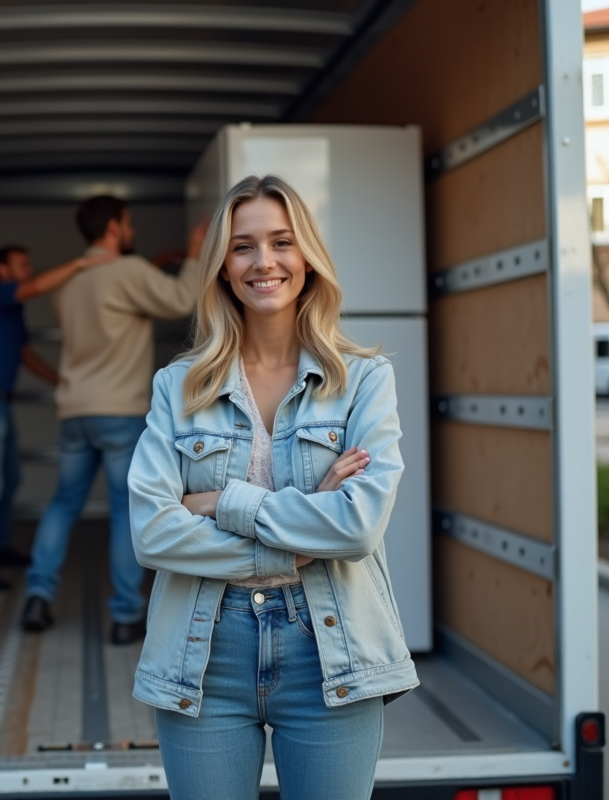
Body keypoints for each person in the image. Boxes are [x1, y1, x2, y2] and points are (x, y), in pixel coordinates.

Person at [126, 175, 418, 799]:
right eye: (243, 247)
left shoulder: (364, 380)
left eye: (281, 242)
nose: (264, 262)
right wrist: (296, 538)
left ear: (306, 258)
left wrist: (218, 503)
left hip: (330, 648)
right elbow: (151, 532)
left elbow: (358, 526)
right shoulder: (178, 387)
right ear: (222, 269)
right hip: (204, 654)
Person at [20, 196, 207, 645]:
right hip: (118, 412)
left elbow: (117, 298)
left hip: (74, 411)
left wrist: (152, 266)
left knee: (64, 502)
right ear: (113, 228)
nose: (133, 231)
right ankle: (125, 616)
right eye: (128, 224)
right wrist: (196, 254)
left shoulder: (70, 284)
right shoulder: (130, 271)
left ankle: (37, 595)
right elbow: (182, 298)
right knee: (126, 511)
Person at [0, 245, 114, 591]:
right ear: (2, 270)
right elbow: (36, 287)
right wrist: (77, 261)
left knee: (10, 478)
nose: (29, 269)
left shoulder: (12, 310)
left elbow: (24, 355)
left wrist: (61, 381)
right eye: (22, 264)